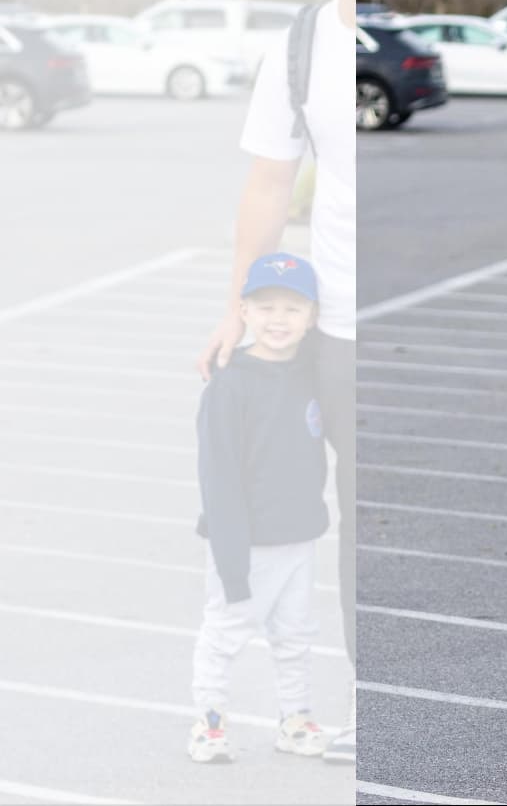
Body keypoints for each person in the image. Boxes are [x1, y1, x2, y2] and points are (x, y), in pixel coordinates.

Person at [196, 0, 357, 763]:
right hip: (331, 329)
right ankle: (345, 698)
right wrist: (234, 310)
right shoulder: (299, 45)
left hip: (396, 327)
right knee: (331, 513)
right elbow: (266, 185)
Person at [189, 253, 329, 764]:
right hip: (245, 542)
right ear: (243, 311)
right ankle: (209, 720)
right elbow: (218, 477)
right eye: (265, 306)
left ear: (312, 317)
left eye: (292, 309)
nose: (277, 319)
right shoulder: (230, 384)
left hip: (299, 537)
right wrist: (232, 559)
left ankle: (294, 718)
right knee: (225, 632)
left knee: (294, 634)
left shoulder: (310, 371)